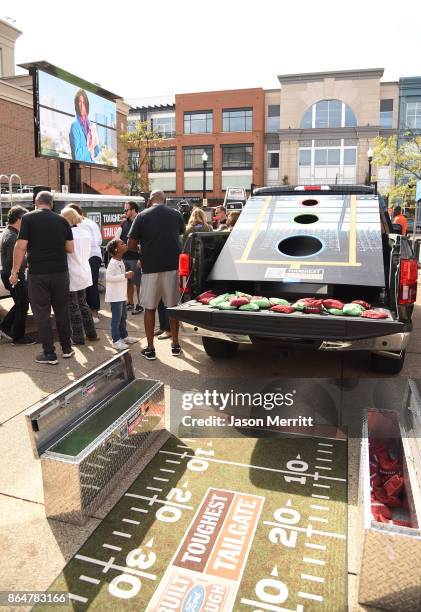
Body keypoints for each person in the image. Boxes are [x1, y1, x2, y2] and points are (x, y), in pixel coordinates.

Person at [10, 191, 74, 364]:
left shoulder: (28, 218)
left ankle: (49, 353)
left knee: (42, 313)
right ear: (51, 204)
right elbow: (70, 248)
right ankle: (67, 349)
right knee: (61, 311)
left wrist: (14, 271)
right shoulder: (62, 220)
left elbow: (20, 246)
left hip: (38, 273)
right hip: (61, 272)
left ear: (36, 202)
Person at [128, 189, 185, 360]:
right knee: (173, 307)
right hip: (172, 267)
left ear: (150, 200)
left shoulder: (142, 216)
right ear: (164, 200)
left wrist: (143, 250)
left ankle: (151, 348)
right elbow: (180, 233)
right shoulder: (175, 214)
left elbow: (130, 244)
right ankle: (175, 345)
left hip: (151, 268)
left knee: (149, 308)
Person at [61, 207, 98, 345]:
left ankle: (77, 337)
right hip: (84, 270)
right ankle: (91, 334)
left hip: (72, 271)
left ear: (67, 219)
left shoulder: (68, 234)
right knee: (83, 303)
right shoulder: (84, 232)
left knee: (73, 306)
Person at [0, 205, 35, 345]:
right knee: (23, 304)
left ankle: (5, 328)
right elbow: (13, 259)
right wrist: (27, 260)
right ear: (19, 219)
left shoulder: (8, 232)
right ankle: (18, 337)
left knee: (21, 303)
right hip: (14, 275)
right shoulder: (13, 236)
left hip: (10, 274)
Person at [68, 203, 103, 323]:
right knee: (83, 285)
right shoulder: (78, 224)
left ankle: (94, 312)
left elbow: (96, 241)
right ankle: (86, 311)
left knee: (90, 283)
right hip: (85, 257)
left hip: (91, 257)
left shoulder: (87, 224)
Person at [105, 238, 139, 351]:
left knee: (123, 317)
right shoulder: (113, 263)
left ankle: (124, 336)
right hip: (115, 296)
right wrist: (124, 276)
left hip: (121, 295)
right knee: (116, 318)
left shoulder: (120, 261)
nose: (125, 244)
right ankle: (115, 340)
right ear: (116, 249)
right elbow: (108, 278)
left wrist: (125, 275)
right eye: (122, 244)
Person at [121, 201, 143, 315]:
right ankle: (130, 303)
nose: (124, 212)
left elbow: (143, 241)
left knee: (138, 283)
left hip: (136, 258)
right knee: (128, 282)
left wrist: (141, 258)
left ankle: (140, 305)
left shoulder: (140, 222)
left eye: (126, 210)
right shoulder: (124, 223)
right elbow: (121, 240)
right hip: (125, 258)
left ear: (133, 210)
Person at [69, 89, 100, 163]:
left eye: (83, 102)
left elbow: (96, 152)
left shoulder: (91, 126)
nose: (82, 105)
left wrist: (94, 141)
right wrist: (89, 146)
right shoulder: (75, 126)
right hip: (81, 167)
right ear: (76, 104)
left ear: (87, 104)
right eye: (79, 102)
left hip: (92, 167)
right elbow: (78, 156)